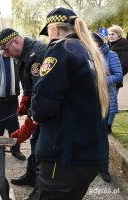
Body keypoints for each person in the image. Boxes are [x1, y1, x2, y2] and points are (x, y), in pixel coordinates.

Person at [30, 7, 109, 199]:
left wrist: (33, 111)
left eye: (48, 32)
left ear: (54, 29)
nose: (48, 37)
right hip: (87, 153)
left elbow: (42, 106)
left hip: (64, 158)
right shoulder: (86, 50)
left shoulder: (61, 49)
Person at [0, 28, 47, 188]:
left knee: (43, 147)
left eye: (6, 49)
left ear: (16, 42)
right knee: (36, 142)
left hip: (48, 111)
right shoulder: (22, 56)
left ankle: (41, 186)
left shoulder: (38, 55)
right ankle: (32, 176)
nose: (6, 53)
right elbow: (30, 85)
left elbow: (43, 95)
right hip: (40, 108)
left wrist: (28, 126)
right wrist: (25, 100)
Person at [0, 46, 24, 160]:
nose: (7, 51)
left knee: (14, 125)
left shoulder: (17, 58)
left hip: (12, 99)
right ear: (1, 48)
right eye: (4, 48)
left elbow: (21, 75)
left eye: (8, 48)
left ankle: (16, 149)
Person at [92, 32, 122, 183]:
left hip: (104, 100)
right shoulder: (88, 56)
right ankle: (91, 164)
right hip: (88, 101)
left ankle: (103, 167)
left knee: (102, 135)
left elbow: (118, 75)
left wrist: (101, 80)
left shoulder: (111, 55)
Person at [108, 25, 128, 91]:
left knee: (112, 100)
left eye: (113, 34)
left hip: (114, 82)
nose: (110, 36)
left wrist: (114, 77)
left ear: (119, 35)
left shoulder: (123, 48)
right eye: (109, 34)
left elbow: (124, 66)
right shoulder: (109, 46)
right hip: (106, 80)